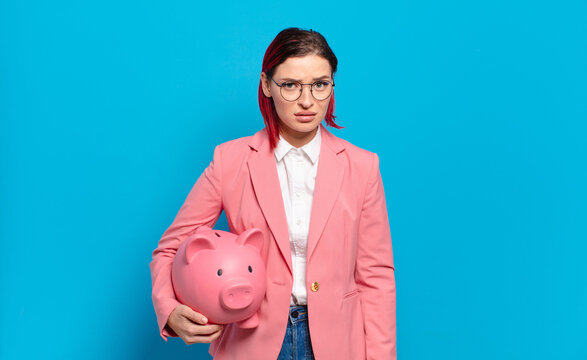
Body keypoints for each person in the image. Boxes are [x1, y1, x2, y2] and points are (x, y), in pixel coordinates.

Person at [149, 27, 396, 360]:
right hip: (251, 342)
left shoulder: (363, 167)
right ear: (266, 84)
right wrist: (169, 309)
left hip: (339, 344)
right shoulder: (230, 161)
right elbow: (170, 248)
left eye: (320, 85)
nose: (307, 101)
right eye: (290, 85)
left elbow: (376, 277)